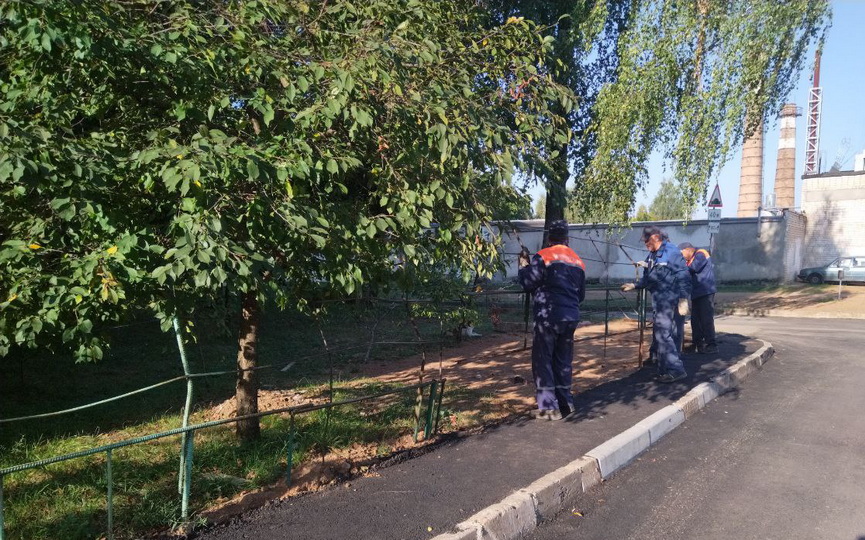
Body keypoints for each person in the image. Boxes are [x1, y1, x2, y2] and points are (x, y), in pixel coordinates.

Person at [518, 220, 586, 420]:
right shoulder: (578, 261)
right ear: (567, 239)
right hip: (570, 317)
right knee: (563, 360)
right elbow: (580, 295)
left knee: (543, 359)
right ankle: (566, 402)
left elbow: (528, 282)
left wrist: (523, 265)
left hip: (548, 315)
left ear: (549, 238)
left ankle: (548, 407)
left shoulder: (543, 256)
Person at [621, 226, 690, 383]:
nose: (645, 243)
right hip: (659, 301)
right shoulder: (651, 256)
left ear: (656, 237)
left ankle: (676, 369)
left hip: (669, 300)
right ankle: (664, 369)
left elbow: (683, 275)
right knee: (663, 335)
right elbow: (648, 278)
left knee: (664, 335)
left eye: (647, 240)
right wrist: (635, 285)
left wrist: (683, 298)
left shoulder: (671, 252)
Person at [678, 242, 718, 353]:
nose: (682, 256)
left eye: (682, 253)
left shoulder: (701, 253)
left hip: (706, 291)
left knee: (706, 319)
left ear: (688, 249)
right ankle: (697, 343)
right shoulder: (689, 259)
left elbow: (693, 268)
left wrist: (679, 268)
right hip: (696, 292)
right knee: (695, 320)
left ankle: (711, 344)